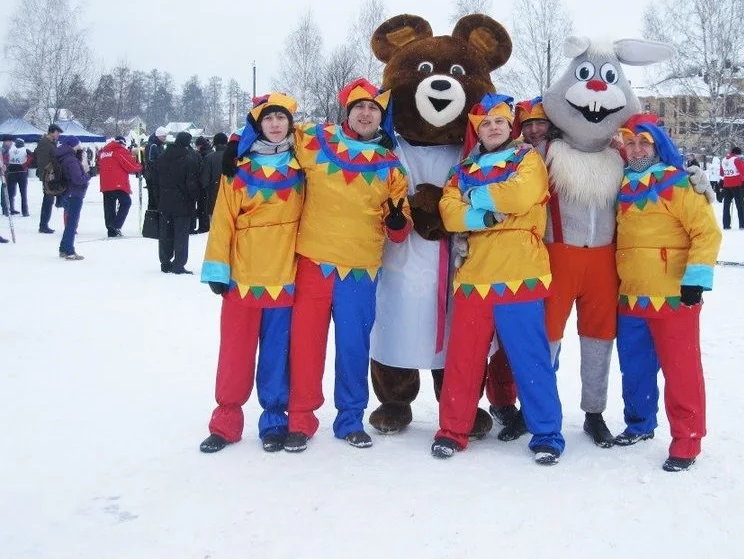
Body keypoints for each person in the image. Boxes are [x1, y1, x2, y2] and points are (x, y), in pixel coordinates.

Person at [431, 94, 564, 466]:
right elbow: (449, 212)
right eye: (486, 123)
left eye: (500, 122)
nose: (493, 128)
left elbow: (521, 194)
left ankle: (547, 433)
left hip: (520, 273)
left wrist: (474, 197)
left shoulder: (527, 159)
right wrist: (483, 218)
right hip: (475, 277)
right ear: (478, 131)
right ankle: (452, 431)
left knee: (530, 359)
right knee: (463, 360)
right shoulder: (461, 170)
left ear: (510, 128)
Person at [284, 79, 411, 452]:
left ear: (380, 118)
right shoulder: (313, 140)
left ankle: (350, 419)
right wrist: (237, 146)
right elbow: (272, 137)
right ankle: (300, 419)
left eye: (373, 109)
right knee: (306, 346)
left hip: (360, 270)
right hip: (314, 262)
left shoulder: (391, 165)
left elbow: (400, 226)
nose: (366, 113)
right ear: (348, 112)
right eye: (360, 107)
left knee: (353, 348)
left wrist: (398, 224)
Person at [199, 93, 306, 454]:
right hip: (242, 277)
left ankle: (275, 419)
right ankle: (226, 421)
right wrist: (217, 267)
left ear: (290, 124)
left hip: (284, 278)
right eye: (268, 119)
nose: (275, 124)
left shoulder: (303, 166)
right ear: (258, 125)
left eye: (281, 118)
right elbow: (223, 221)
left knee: (278, 353)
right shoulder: (238, 169)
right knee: (235, 353)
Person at [614, 115, 721, 472]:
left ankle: (687, 439)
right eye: (630, 143)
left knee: (681, 371)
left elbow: (706, 232)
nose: (636, 149)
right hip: (631, 297)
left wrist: (696, 278)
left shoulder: (679, 183)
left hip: (674, 296)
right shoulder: (622, 185)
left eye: (643, 142)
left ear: (658, 145)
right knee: (635, 368)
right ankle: (640, 424)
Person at [156, 131, 201, 274]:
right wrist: (195, 197)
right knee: (181, 234)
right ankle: (179, 263)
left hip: (164, 199)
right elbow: (191, 184)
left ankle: (165, 261)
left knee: (165, 233)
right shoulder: (188, 159)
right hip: (182, 201)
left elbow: (154, 179)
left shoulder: (162, 157)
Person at [97, 136, 143, 237]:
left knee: (109, 207)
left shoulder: (104, 152)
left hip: (105, 183)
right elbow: (129, 166)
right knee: (126, 202)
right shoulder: (119, 151)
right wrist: (139, 166)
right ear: (122, 143)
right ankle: (116, 225)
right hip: (117, 183)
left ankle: (111, 230)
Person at [55, 135, 92, 260]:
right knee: (72, 223)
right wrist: (89, 175)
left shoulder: (64, 157)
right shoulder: (71, 160)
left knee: (70, 221)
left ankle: (63, 248)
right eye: (78, 144)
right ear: (73, 145)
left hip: (68, 192)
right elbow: (78, 179)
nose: (80, 147)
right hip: (74, 193)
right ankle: (69, 250)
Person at [33, 124, 63, 233]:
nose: (58, 135)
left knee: (49, 199)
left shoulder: (48, 142)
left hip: (48, 174)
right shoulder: (46, 143)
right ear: (52, 132)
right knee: (48, 199)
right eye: (57, 132)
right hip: (48, 175)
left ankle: (44, 224)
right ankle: (43, 225)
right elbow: (46, 160)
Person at [720, 147, 744, 229]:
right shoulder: (736, 160)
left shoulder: (723, 160)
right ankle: (742, 224)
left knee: (726, 205)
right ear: (738, 154)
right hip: (736, 184)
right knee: (740, 205)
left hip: (726, 184)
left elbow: (721, 173)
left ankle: (726, 225)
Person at [202, 132, 228, 218]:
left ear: (215, 144)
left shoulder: (209, 158)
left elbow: (205, 180)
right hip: (231, 198)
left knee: (215, 226)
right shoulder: (235, 157)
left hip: (213, 197)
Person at [143, 127, 167, 210]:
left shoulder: (160, 146)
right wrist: (161, 165)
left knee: (157, 196)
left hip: (157, 174)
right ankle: (152, 214)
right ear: (159, 136)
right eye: (163, 136)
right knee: (153, 196)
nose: (165, 138)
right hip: (152, 175)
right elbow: (150, 160)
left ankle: (155, 213)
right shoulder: (152, 145)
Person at [194, 136, 213, 233]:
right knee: (206, 205)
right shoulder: (210, 151)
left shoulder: (203, 155)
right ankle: (206, 225)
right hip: (211, 184)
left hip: (203, 185)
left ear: (200, 145)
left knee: (203, 206)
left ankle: (204, 226)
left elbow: (202, 171)